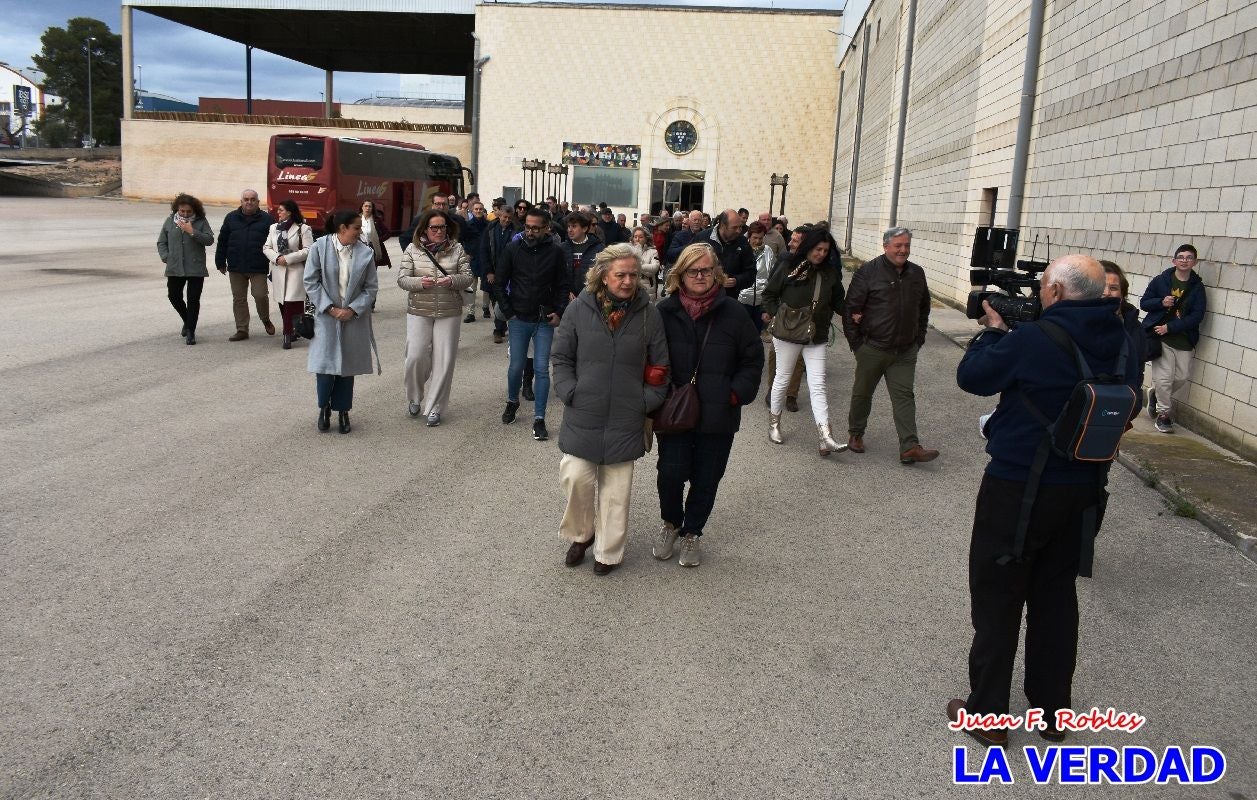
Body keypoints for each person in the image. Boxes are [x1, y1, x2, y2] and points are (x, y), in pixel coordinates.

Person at [950, 254, 1141, 747]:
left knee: (998, 598)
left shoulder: (1034, 338)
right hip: (1084, 491)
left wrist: (994, 330)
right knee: (1056, 601)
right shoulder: (1122, 339)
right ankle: (1054, 716)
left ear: (1055, 291)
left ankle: (986, 717)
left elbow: (973, 378)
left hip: (1020, 487)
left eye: (1042, 289)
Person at [551, 244, 670, 575]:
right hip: (583, 411)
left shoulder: (649, 314)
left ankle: (608, 551)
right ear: (603, 275)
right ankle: (582, 534)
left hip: (626, 416)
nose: (628, 281)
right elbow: (561, 357)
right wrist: (568, 390)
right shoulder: (578, 310)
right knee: (575, 477)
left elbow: (661, 366)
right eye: (621, 274)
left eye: (634, 274)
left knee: (617, 492)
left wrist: (645, 401)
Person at [654, 243, 764, 567]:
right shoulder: (664, 311)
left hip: (718, 413)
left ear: (716, 272)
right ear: (681, 274)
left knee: (707, 477)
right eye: (693, 270)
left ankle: (693, 533)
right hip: (675, 409)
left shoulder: (735, 313)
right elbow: (650, 356)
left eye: (706, 270)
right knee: (670, 473)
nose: (700, 276)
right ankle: (671, 524)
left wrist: (734, 394)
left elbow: (752, 360)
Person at [842, 226, 939, 464]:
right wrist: (858, 346)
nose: (903, 250)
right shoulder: (868, 272)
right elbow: (850, 309)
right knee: (863, 393)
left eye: (906, 245)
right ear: (886, 246)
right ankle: (856, 433)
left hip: (905, 351)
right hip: (873, 348)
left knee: (905, 396)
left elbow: (924, 308)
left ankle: (909, 446)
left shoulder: (917, 273)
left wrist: (919, 338)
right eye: (898, 246)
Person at [761, 227, 847, 455]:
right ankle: (774, 425)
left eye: (826, 250)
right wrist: (776, 314)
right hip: (788, 332)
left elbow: (840, 302)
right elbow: (769, 294)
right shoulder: (789, 265)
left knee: (818, 384)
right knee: (782, 378)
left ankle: (825, 435)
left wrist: (857, 310)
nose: (821, 254)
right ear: (809, 247)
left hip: (816, 335)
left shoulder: (830, 273)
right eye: (818, 249)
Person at [494, 207, 570, 441]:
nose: (530, 231)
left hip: (544, 319)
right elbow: (499, 283)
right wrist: (508, 312)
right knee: (516, 366)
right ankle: (512, 401)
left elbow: (562, 285)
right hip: (518, 317)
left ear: (547, 228)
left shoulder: (556, 252)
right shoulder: (513, 249)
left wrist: (558, 311)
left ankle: (539, 419)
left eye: (536, 228)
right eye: (527, 226)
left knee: (541, 370)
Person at [304, 209, 380, 435]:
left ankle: (343, 411)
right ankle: (324, 408)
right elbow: (311, 282)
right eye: (356, 227)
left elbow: (371, 288)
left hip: (353, 319)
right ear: (342, 228)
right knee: (325, 367)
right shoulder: (319, 248)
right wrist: (330, 308)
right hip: (326, 317)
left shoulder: (365, 253)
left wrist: (353, 310)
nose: (360, 231)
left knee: (347, 369)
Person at [398, 209, 473, 426]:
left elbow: (467, 278)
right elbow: (403, 279)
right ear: (424, 229)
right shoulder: (413, 249)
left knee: (444, 360)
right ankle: (414, 397)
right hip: (419, 310)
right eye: (434, 227)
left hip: (449, 311)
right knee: (415, 356)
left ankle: (435, 408)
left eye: (443, 227)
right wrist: (420, 283)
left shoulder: (457, 249)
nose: (439, 231)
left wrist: (452, 280)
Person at [1140, 244, 1206, 434]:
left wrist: (1172, 326)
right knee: (1164, 378)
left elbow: (1197, 316)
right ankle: (1164, 414)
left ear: (1194, 262)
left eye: (1189, 257)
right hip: (1160, 336)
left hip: (1184, 338)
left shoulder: (1197, 287)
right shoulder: (1161, 280)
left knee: (1182, 377)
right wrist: (1160, 302)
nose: (1184, 260)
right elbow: (1144, 303)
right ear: (1174, 261)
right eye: (1181, 257)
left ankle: (1155, 395)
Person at [215, 189, 276, 341]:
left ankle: (265, 319)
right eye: (246, 199)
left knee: (260, 295)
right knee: (239, 299)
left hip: (258, 266)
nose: (249, 202)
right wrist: (220, 262)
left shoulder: (267, 220)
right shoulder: (231, 218)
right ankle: (242, 329)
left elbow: (274, 242)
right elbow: (222, 241)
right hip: (236, 266)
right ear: (241, 202)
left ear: (258, 202)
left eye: (252, 199)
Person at [157, 193, 215, 346]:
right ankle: (186, 320)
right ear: (177, 209)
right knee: (174, 296)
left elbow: (209, 240)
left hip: (195, 268)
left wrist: (192, 231)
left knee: (193, 300)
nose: (185, 214)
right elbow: (161, 242)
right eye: (182, 211)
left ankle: (191, 331)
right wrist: (166, 257)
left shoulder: (201, 222)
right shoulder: (170, 221)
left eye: (189, 211)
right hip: (175, 267)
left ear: (194, 210)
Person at [262, 200, 314, 350]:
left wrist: (289, 258)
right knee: (283, 303)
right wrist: (277, 258)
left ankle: (287, 335)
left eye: (281, 210)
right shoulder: (274, 228)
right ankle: (293, 329)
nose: (278, 213)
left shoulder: (303, 228)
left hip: (295, 271)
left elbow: (309, 249)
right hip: (278, 270)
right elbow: (267, 247)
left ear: (290, 212)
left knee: (291, 302)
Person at [1099, 260, 1146, 378]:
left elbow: (1138, 370)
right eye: (1101, 287)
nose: (1106, 293)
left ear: (1122, 294)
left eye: (1113, 288)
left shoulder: (1135, 328)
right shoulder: (1078, 323)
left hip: (1122, 393)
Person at [482, 200, 519, 344]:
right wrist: (489, 272)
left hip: (510, 273)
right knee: (495, 300)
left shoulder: (517, 230)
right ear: (499, 215)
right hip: (494, 271)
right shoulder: (490, 229)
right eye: (504, 217)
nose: (506, 220)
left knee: (505, 299)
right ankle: (500, 326)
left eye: (509, 218)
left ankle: (499, 329)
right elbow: (484, 251)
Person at [738, 221, 774, 331]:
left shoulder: (768, 251)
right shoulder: (741, 249)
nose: (758, 241)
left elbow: (772, 277)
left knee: (756, 334)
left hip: (760, 302)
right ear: (749, 236)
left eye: (760, 238)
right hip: (742, 300)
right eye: (755, 238)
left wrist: (768, 306)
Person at [560, 211, 604, 297]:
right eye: (568, 226)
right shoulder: (562, 248)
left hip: (591, 296)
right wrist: (567, 292)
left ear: (584, 228)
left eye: (574, 226)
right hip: (568, 298)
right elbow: (558, 275)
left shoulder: (598, 248)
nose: (570, 230)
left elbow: (602, 274)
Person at [461, 200, 489, 322]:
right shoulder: (467, 225)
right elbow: (461, 240)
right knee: (471, 288)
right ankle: (471, 313)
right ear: (472, 211)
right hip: (472, 258)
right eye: (476, 209)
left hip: (486, 259)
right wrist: (466, 253)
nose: (478, 211)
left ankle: (486, 307)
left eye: (480, 209)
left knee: (487, 286)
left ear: (483, 211)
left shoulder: (489, 225)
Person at [358, 199, 391, 270]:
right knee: (361, 270)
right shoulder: (357, 219)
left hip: (373, 248)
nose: (367, 208)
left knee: (372, 271)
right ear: (362, 207)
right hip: (359, 248)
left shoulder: (376, 220)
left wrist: (378, 240)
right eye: (366, 206)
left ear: (372, 208)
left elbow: (388, 233)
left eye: (370, 206)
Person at [629, 226, 660, 294]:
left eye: (640, 237)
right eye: (635, 237)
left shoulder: (653, 251)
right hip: (631, 284)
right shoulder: (628, 251)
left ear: (646, 238)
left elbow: (654, 268)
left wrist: (637, 266)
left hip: (647, 286)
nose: (637, 239)